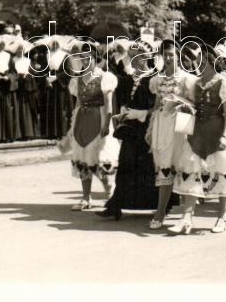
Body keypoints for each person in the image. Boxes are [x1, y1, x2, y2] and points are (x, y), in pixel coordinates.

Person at [168, 44, 226, 235]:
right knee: (191, 170)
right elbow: (194, 105)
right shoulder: (195, 83)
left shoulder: (225, 83)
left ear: (211, 61)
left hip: (218, 130)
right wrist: (184, 107)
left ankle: (222, 216)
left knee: (222, 169)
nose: (197, 64)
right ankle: (186, 218)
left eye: (201, 60)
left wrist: (225, 136)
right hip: (198, 131)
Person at [98, 39, 159, 220]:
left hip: (147, 129)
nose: (132, 59)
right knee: (126, 164)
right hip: (131, 129)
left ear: (145, 57)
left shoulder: (153, 78)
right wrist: (124, 112)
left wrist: (139, 114)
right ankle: (115, 206)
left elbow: (157, 107)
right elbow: (126, 99)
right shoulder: (131, 77)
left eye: (135, 56)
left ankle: (158, 205)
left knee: (147, 167)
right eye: (131, 56)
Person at [65, 42, 120, 211]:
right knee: (82, 157)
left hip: (100, 118)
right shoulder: (78, 80)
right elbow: (78, 102)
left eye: (88, 58)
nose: (85, 61)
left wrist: (106, 124)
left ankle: (110, 195)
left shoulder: (105, 77)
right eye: (82, 58)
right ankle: (86, 197)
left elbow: (109, 103)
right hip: (83, 120)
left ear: (95, 59)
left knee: (100, 158)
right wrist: (73, 124)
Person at [147, 39, 189, 229]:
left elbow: (193, 104)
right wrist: (150, 127)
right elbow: (156, 105)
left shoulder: (186, 79)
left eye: (172, 54)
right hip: (161, 125)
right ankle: (161, 211)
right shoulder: (158, 79)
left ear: (178, 55)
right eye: (166, 54)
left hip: (180, 125)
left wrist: (179, 104)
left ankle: (185, 213)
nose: (169, 57)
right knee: (164, 166)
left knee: (182, 166)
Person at [10, 39, 40, 140]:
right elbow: (11, 72)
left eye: (22, 49)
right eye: (18, 49)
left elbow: (34, 73)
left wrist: (28, 75)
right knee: (17, 108)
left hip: (27, 87)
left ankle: (28, 132)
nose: (20, 51)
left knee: (27, 109)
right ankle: (17, 134)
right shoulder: (12, 60)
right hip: (17, 87)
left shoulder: (28, 61)